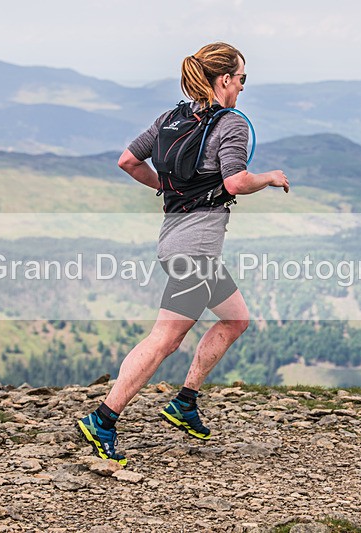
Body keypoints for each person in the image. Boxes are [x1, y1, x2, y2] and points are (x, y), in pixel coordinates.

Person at [76, 42, 289, 465]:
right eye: (242, 79)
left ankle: (185, 402)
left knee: (236, 319)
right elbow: (235, 182)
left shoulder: (170, 118)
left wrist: (167, 187)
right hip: (195, 253)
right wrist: (268, 177)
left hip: (178, 242)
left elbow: (127, 161)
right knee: (165, 339)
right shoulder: (232, 124)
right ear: (225, 79)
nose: (243, 87)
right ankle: (103, 418)